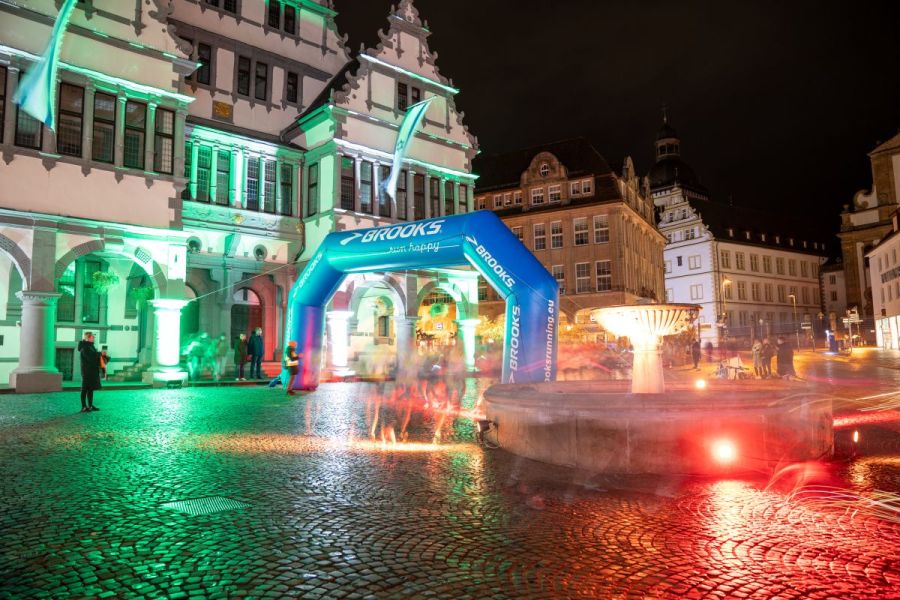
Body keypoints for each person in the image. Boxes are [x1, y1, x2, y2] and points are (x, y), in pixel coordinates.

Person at [78, 332, 102, 412]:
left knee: (91, 389)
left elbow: (93, 356)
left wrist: (100, 355)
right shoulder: (84, 347)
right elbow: (90, 358)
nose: (94, 338)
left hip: (92, 370)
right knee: (84, 389)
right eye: (92, 337)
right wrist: (99, 354)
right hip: (86, 372)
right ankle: (83, 407)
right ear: (88, 338)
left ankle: (90, 405)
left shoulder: (91, 346)